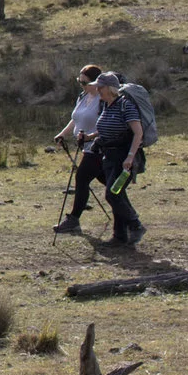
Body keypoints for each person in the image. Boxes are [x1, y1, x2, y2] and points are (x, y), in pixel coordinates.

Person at [62, 72, 147, 248]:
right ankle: (120, 236)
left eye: (100, 87)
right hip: (108, 156)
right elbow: (103, 129)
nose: (97, 90)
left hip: (123, 156)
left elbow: (138, 133)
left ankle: (136, 225)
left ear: (109, 88)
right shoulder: (107, 105)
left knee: (112, 194)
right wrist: (89, 137)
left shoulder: (126, 105)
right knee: (116, 193)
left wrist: (130, 157)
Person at [50, 65, 105, 233]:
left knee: (81, 178)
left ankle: (73, 220)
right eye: (79, 81)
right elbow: (76, 119)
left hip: (98, 148)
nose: (81, 85)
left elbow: (105, 125)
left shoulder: (103, 100)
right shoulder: (83, 96)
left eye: (84, 82)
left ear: (96, 82)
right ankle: (129, 218)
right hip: (85, 148)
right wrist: (62, 134)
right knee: (109, 184)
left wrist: (89, 137)